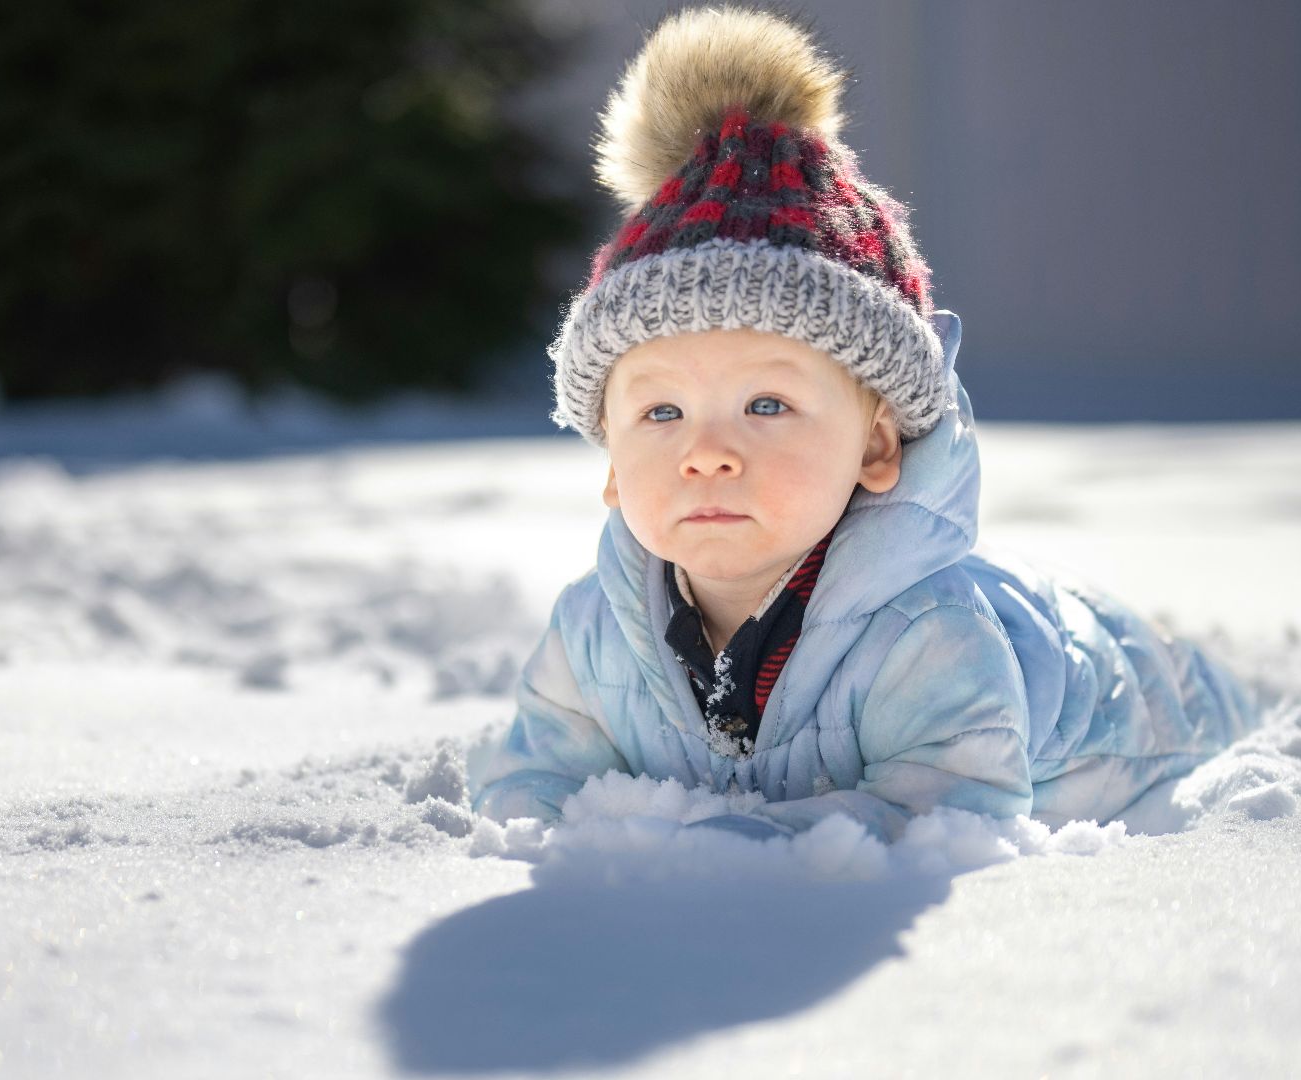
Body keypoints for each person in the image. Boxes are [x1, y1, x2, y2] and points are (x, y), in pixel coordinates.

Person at [467, 5, 1258, 839]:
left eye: (766, 405)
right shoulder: (594, 632)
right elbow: (537, 779)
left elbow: (950, 811)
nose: (705, 453)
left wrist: (733, 852)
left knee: (1189, 682)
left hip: (1145, 717)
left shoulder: (931, 635)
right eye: (660, 411)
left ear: (876, 443)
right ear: (614, 467)